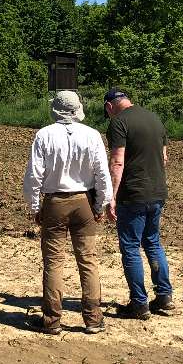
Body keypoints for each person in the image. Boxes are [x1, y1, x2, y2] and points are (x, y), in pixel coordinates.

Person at [22, 90, 113, 336]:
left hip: (55, 202)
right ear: (77, 109)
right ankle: (93, 319)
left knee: (53, 262)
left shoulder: (44, 135)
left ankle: (52, 321)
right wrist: (100, 205)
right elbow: (102, 174)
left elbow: (34, 175)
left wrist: (34, 206)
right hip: (84, 201)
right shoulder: (92, 135)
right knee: (88, 261)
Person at [104, 88, 173, 319]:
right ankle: (164, 297)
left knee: (131, 247)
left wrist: (111, 196)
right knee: (153, 242)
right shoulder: (154, 118)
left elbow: (117, 162)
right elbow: (164, 158)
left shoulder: (119, 123)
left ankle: (139, 303)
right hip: (157, 191)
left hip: (133, 194)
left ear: (110, 106)